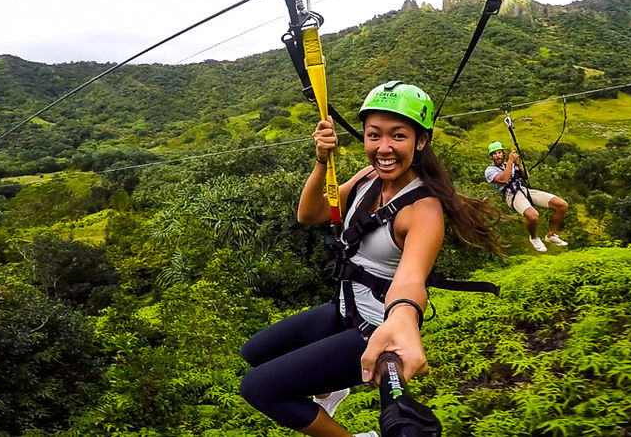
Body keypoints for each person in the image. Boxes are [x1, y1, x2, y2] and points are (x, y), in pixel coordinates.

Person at [240, 81, 500, 437]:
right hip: (345, 309)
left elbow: (411, 279)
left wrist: (404, 318)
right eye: (374, 135)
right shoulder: (367, 178)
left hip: (376, 329)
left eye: (398, 136)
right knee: (254, 353)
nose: (384, 148)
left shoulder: (423, 210)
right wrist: (321, 161)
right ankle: (330, 388)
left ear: (420, 141)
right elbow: (309, 214)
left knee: (259, 388)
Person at [485, 141, 568, 252]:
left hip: (525, 190)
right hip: (513, 195)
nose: (497, 156)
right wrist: (510, 161)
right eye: (494, 154)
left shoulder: (510, 165)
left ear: (503, 153)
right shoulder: (490, 170)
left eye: (499, 152)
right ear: (491, 156)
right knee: (533, 216)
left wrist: (518, 164)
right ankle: (534, 237)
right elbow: (504, 179)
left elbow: (526, 176)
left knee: (562, 205)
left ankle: (551, 235)